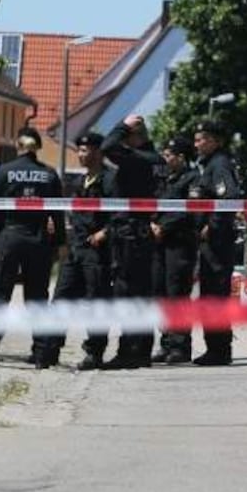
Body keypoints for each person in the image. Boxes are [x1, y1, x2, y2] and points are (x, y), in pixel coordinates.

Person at [0, 127, 65, 367]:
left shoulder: (5, 172)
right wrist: (57, 243)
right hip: (39, 240)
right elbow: (57, 214)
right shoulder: (49, 174)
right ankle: (42, 355)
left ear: (19, 146)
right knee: (37, 298)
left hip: (9, 236)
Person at [100, 114, 168, 369]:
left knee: (126, 291)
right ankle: (142, 351)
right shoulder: (158, 160)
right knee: (143, 292)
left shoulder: (137, 159)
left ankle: (128, 352)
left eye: (128, 138)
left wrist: (124, 124)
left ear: (136, 137)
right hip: (144, 232)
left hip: (130, 232)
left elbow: (108, 146)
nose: (125, 144)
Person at [44, 132, 116, 370]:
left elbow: (122, 215)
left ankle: (94, 353)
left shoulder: (110, 180)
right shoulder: (79, 182)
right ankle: (50, 351)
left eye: (87, 151)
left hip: (97, 252)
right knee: (61, 299)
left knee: (96, 303)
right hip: (76, 250)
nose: (82, 155)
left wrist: (104, 233)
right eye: (80, 151)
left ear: (98, 152)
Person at [191, 120, 241, 366]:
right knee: (209, 294)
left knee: (215, 295)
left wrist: (212, 226)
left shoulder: (219, 164)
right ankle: (216, 348)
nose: (197, 144)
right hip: (211, 243)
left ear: (215, 141)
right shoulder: (211, 164)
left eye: (202, 139)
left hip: (217, 243)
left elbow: (228, 197)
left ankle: (220, 350)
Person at [150, 136, 201, 364]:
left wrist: (164, 226)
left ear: (181, 157)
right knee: (160, 293)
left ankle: (181, 347)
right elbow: (154, 205)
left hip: (180, 244)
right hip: (159, 243)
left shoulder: (193, 180)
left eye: (169, 155)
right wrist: (152, 223)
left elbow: (189, 211)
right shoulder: (164, 180)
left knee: (177, 293)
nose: (165, 158)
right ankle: (167, 342)